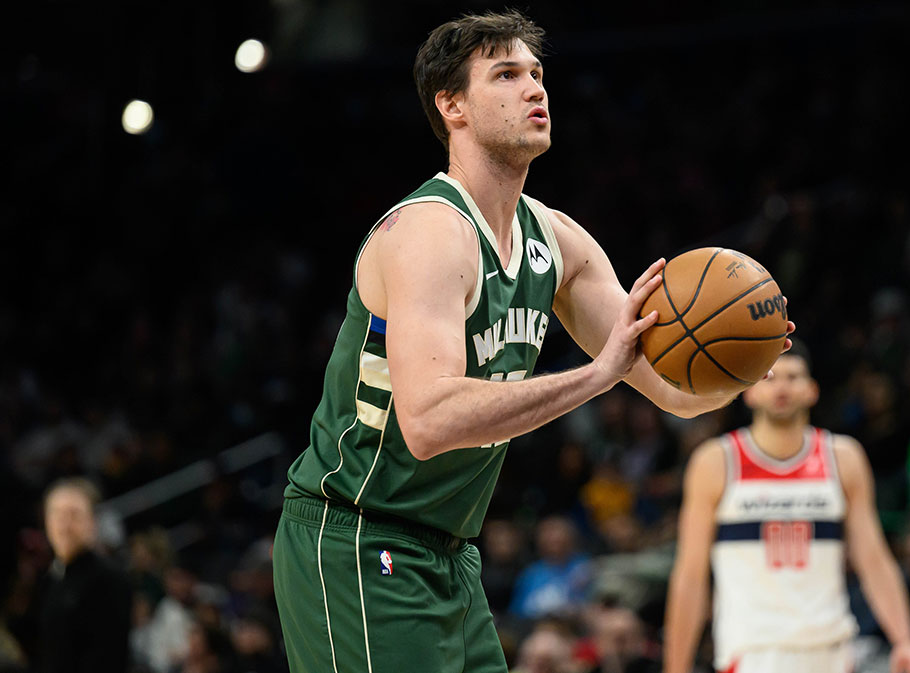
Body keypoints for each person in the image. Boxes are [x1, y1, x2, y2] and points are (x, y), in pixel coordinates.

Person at [270, 10, 793, 673]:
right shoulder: (430, 234)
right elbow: (429, 421)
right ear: (452, 105)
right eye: (507, 74)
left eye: (538, 73)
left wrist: (751, 359)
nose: (534, 89)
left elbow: (675, 393)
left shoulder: (558, 241)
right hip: (357, 535)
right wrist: (593, 376)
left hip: (450, 551)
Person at [663, 348, 910, 673]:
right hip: (751, 651)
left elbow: (874, 559)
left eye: (793, 377)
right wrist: (675, 666)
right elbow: (690, 575)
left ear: (812, 390)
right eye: (770, 378)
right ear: (749, 391)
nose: (782, 387)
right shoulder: (716, 461)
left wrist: (905, 640)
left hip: (830, 649)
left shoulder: (843, 458)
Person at [37, 477, 132, 673]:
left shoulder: (110, 579)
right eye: (57, 514)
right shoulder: (51, 578)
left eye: (74, 515)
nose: (65, 525)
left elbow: (108, 659)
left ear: (92, 522)